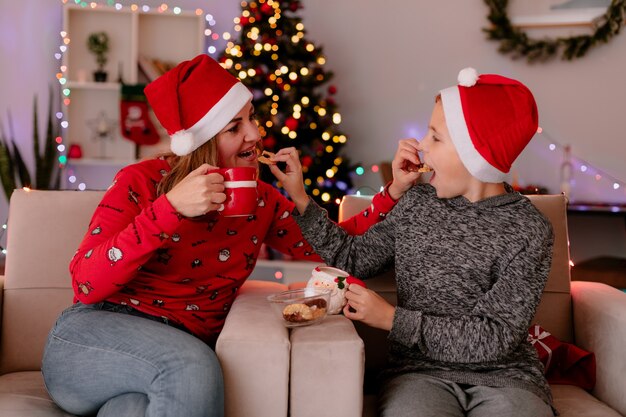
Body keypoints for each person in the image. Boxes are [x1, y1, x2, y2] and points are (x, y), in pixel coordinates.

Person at [41, 54, 401, 417]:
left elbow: (338, 249)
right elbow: (85, 283)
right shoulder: (142, 182)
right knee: (191, 366)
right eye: (234, 127)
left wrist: (388, 193)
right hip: (90, 338)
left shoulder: (260, 200)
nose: (255, 134)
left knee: (132, 409)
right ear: (200, 142)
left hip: (161, 361)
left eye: (251, 117)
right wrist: (169, 210)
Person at [272, 68, 556, 417]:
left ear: (475, 154)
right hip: (417, 375)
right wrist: (300, 197)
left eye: (435, 137)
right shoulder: (417, 204)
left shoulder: (528, 229)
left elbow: (494, 338)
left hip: (507, 379)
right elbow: (351, 257)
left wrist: (393, 319)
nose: (420, 144)